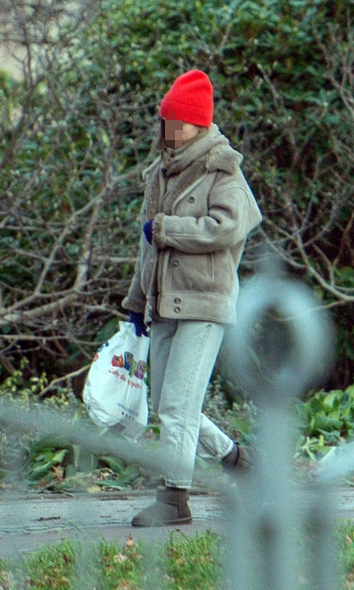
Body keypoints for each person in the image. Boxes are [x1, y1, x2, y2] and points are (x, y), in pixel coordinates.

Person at [122, 69, 264, 527]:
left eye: (179, 123)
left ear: (200, 125)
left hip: (205, 304)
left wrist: (168, 229)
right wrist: (135, 302)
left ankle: (174, 499)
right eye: (167, 121)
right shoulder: (158, 174)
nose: (171, 131)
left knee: (178, 408)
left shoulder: (224, 170)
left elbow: (227, 227)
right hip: (163, 304)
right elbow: (147, 247)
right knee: (170, 404)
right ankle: (240, 461)